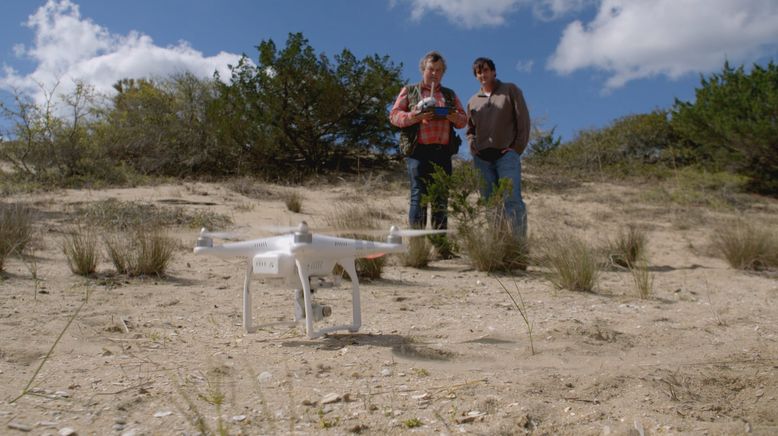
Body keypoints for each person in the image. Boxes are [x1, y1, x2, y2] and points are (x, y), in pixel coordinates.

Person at [390, 51, 467, 239]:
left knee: (441, 197)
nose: (434, 73)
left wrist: (454, 117)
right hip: (418, 151)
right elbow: (394, 116)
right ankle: (417, 246)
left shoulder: (450, 95)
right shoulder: (409, 91)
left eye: (439, 70)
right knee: (419, 196)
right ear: (423, 69)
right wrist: (414, 117)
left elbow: (463, 120)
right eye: (431, 69)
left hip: (442, 152)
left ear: (443, 73)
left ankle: (440, 245)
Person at [466, 57, 530, 240]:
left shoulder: (510, 90)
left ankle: (518, 248)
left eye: (485, 70)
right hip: (482, 160)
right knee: (490, 203)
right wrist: (472, 146)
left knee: (512, 201)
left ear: (494, 71)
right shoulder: (472, 101)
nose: (482, 75)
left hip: (506, 156)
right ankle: (498, 246)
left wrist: (516, 148)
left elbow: (523, 121)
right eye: (478, 72)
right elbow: (470, 130)